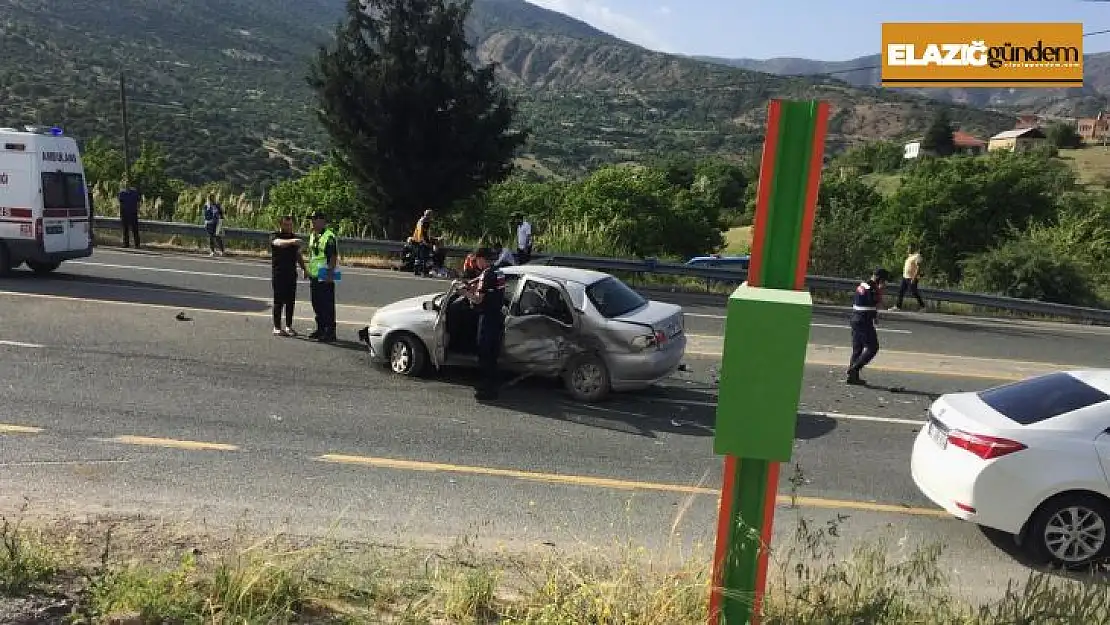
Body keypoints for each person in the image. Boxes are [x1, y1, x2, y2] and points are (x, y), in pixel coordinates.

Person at [462, 247, 506, 400]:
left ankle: (486, 390)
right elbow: (492, 291)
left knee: (484, 353)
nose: (476, 263)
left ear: (481, 259)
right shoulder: (499, 272)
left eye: (476, 260)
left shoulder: (486, 274)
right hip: (498, 318)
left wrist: (464, 293)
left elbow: (479, 299)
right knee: (493, 355)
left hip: (487, 318)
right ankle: (493, 387)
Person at [846, 267, 890, 386]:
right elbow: (877, 302)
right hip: (863, 321)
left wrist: (874, 316)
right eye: (884, 281)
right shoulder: (873, 288)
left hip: (855, 318)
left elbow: (866, 303)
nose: (884, 283)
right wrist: (880, 292)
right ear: (879, 279)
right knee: (873, 347)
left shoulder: (863, 284)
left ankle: (852, 377)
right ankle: (854, 369)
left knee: (858, 349)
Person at [270, 215, 308, 337]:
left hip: (291, 273)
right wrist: (292, 241)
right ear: (281, 225)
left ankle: (289, 326)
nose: (289, 227)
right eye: (286, 225)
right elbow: (278, 243)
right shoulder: (275, 236)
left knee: (290, 302)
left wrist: (304, 268)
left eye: (291, 225)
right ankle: (276, 327)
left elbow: (298, 255)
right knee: (278, 301)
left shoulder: (293, 238)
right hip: (279, 273)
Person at [307, 211, 339, 342]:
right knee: (316, 303)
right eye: (312, 220)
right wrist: (307, 270)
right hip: (314, 274)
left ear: (322, 221)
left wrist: (329, 275)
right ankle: (320, 328)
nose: (312, 222)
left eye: (315, 219)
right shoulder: (313, 234)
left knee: (327, 304)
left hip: (325, 274)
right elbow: (313, 254)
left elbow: (333, 257)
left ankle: (330, 331)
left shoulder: (329, 236)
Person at [118, 181, 141, 249]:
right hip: (125, 214)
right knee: (125, 230)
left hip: (133, 213)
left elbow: (138, 202)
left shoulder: (134, 193)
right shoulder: (122, 193)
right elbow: (120, 204)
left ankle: (137, 244)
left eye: (128, 185)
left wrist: (138, 210)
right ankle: (126, 244)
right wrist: (121, 214)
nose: (127, 186)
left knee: (135, 230)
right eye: (125, 185)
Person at [411, 209, 433, 276]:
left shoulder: (423, 221)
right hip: (420, 241)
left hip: (418, 240)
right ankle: (424, 272)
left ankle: (417, 271)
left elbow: (425, 233)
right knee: (424, 257)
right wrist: (425, 242)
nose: (431, 217)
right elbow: (422, 233)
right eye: (430, 215)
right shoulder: (424, 222)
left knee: (419, 257)